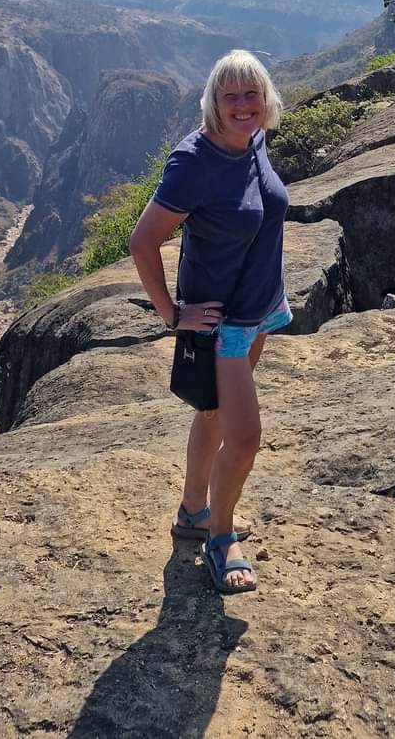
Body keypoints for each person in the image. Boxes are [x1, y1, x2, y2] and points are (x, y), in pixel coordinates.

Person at [129, 49, 291, 594]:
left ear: (264, 100)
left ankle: (194, 511)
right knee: (244, 439)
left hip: (259, 305)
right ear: (213, 103)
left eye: (252, 94)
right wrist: (174, 314)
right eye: (232, 96)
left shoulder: (253, 140)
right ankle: (220, 539)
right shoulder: (193, 162)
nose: (244, 105)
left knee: (215, 416)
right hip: (223, 319)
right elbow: (143, 241)